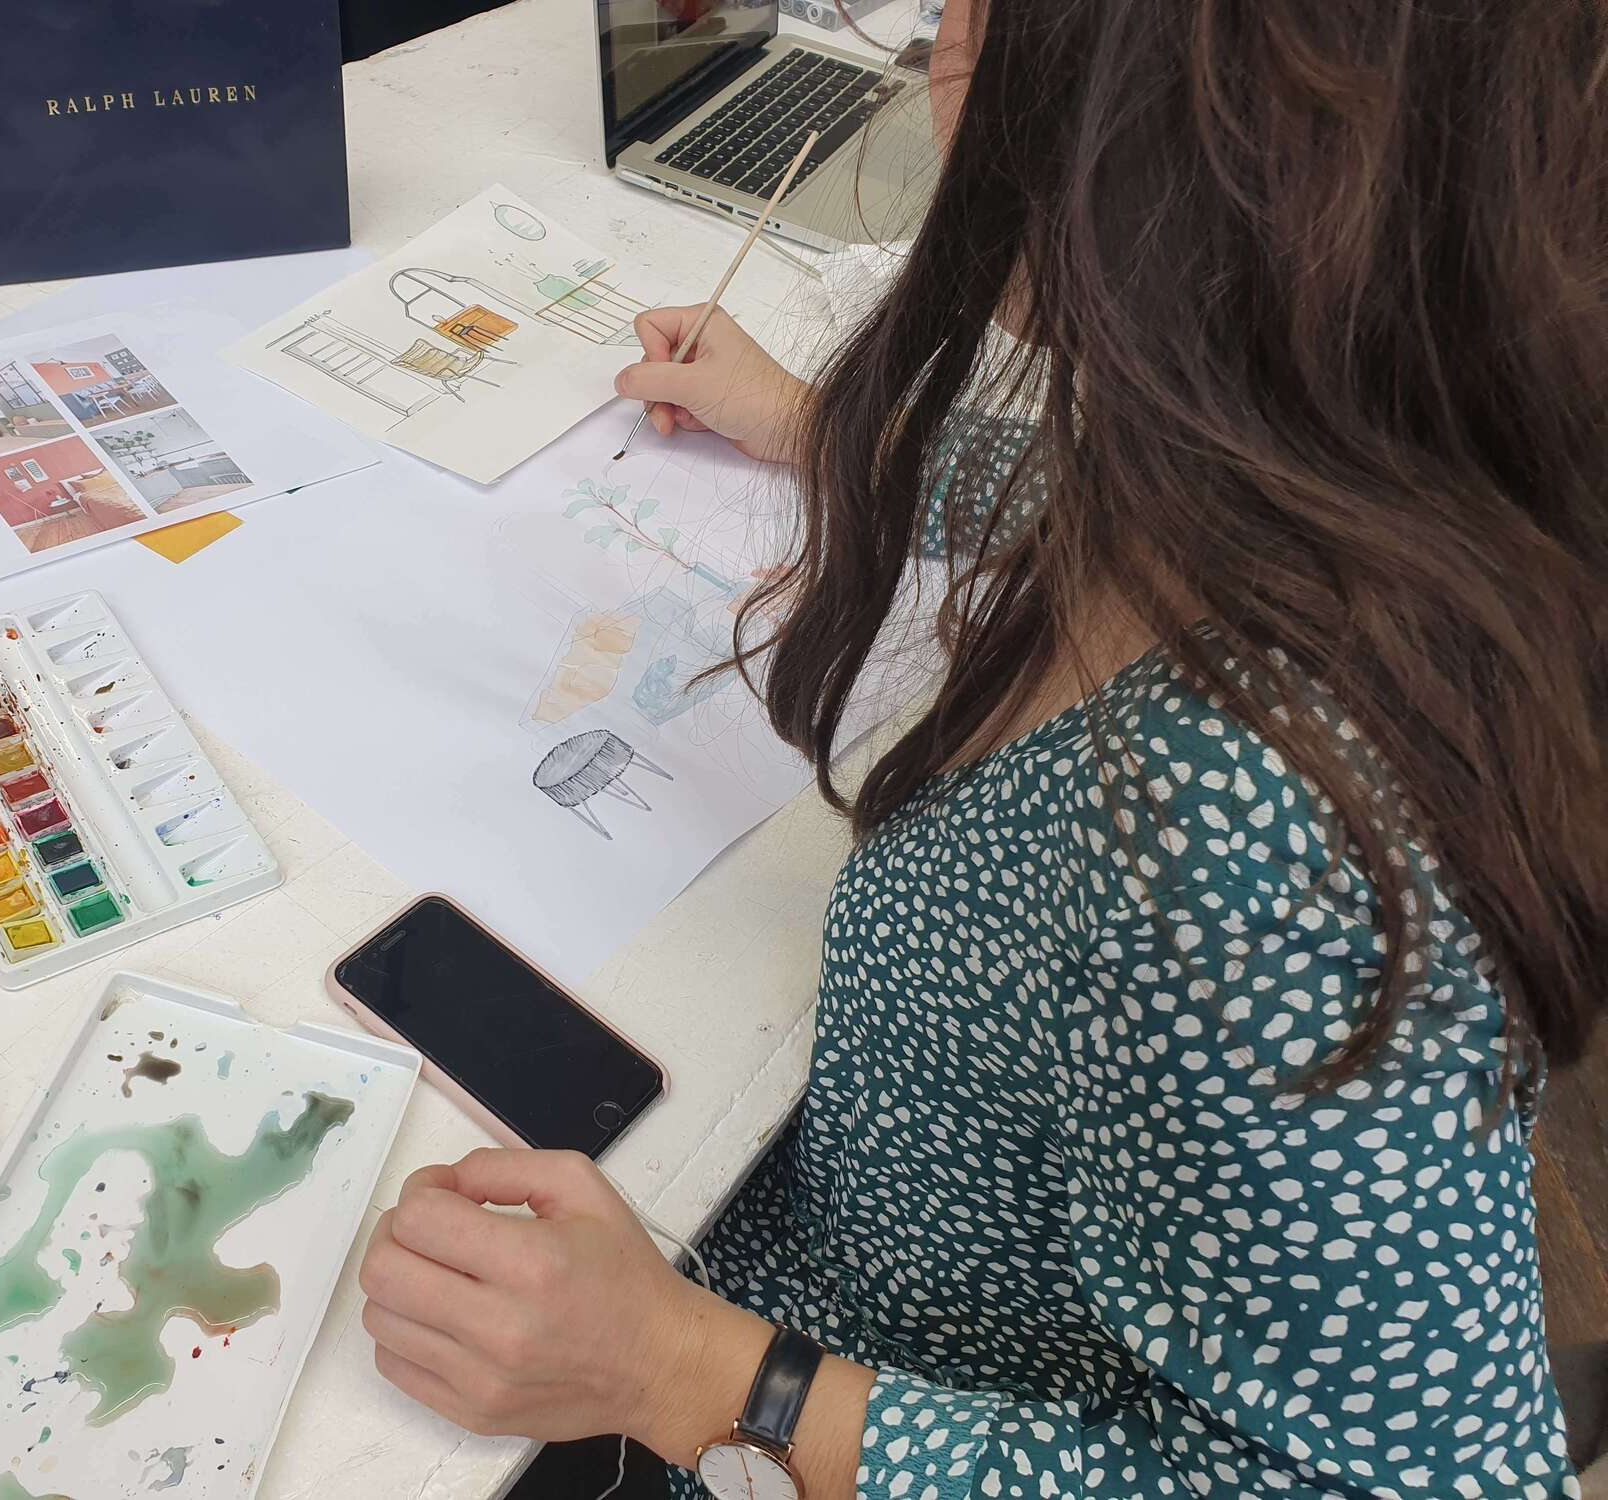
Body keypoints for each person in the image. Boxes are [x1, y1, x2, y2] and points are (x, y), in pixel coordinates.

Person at [356, 1, 1607, 1495]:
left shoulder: (1246, 831)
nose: (930, 46)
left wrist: (680, 1371)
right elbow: (1103, 500)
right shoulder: (1315, 461)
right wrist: (817, 425)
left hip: (860, 1387)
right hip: (869, 1245)